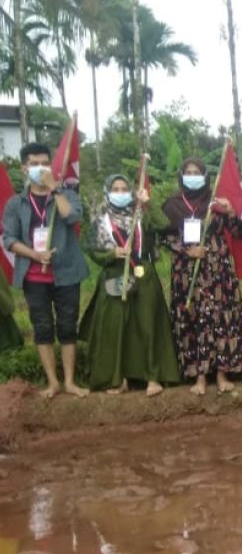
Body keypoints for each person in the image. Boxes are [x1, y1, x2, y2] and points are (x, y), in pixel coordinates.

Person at [162, 158, 242, 395]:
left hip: (217, 271)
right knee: (193, 318)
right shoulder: (171, 205)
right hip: (187, 271)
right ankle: (199, 377)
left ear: (205, 177)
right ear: (181, 176)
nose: (192, 176)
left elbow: (238, 232)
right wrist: (187, 250)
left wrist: (232, 212)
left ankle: (222, 374)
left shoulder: (215, 203)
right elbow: (163, 237)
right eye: (188, 172)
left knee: (219, 319)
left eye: (197, 172)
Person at [2, 142, 89, 398]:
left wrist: (55, 189)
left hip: (66, 273)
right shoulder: (15, 204)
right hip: (33, 275)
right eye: (34, 164)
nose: (40, 168)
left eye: (44, 163)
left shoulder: (67, 193)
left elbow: (72, 217)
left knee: (67, 326)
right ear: (24, 167)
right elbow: (9, 239)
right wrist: (34, 254)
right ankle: (52, 382)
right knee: (42, 327)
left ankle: (71, 381)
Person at [79, 173, 180, 395]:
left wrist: (146, 202)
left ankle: (153, 378)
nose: (120, 193)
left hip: (143, 274)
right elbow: (91, 251)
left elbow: (164, 223)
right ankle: (118, 378)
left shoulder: (141, 217)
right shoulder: (100, 222)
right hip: (114, 275)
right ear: (107, 193)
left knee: (147, 325)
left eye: (125, 189)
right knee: (117, 328)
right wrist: (112, 253)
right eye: (115, 189)